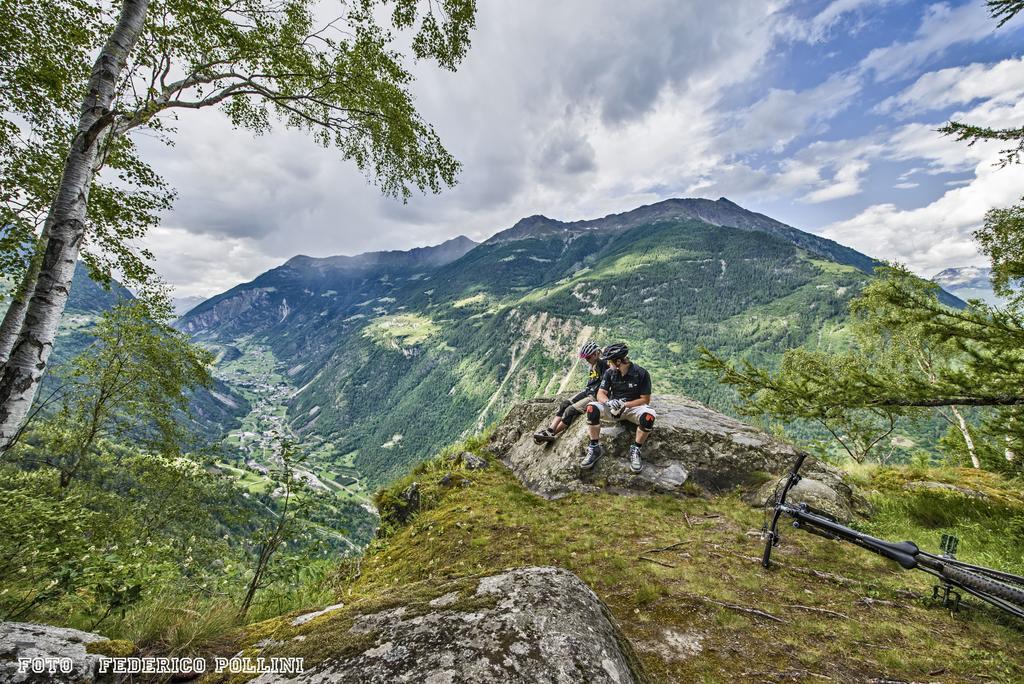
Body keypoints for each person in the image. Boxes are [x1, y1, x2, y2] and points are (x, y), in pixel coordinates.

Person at [580, 342, 655, 473]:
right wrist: (609, 402)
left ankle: (636, 449)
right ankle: (594, 447)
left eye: (610, 361)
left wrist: (625, 404)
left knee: (649, 416)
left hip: (632, 408)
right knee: (591, 408)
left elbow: (645, 400)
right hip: (613, 407)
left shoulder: (641, 373)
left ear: (619, 361)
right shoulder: (610, 373)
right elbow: (600, 393)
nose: (608, 364)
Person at [533, 341, 608, 444]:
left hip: (594, 395)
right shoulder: (593, 364)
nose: (587, 360)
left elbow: (605, 384)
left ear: (595, 354)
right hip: (588, 391)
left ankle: (553, 434)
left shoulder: (603, 365)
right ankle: (549, 431)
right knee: (565, 404)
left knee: (570, 410)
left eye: (588, 357)